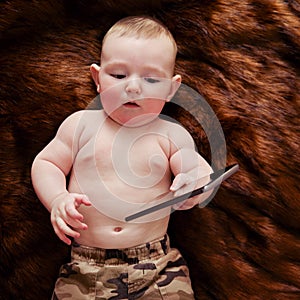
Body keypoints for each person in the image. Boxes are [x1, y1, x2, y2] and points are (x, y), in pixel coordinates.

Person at [31, 15, 212, 299]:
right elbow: (47, 163)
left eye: (151, 79)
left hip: (157, 268)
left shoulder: (170, 134)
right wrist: (56, 199)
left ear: (171, 89)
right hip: (85, 268)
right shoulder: (81, 125)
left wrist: (193, 185)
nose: (133, 87)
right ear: (97, 79)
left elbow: (195, 167)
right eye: (118, 75)